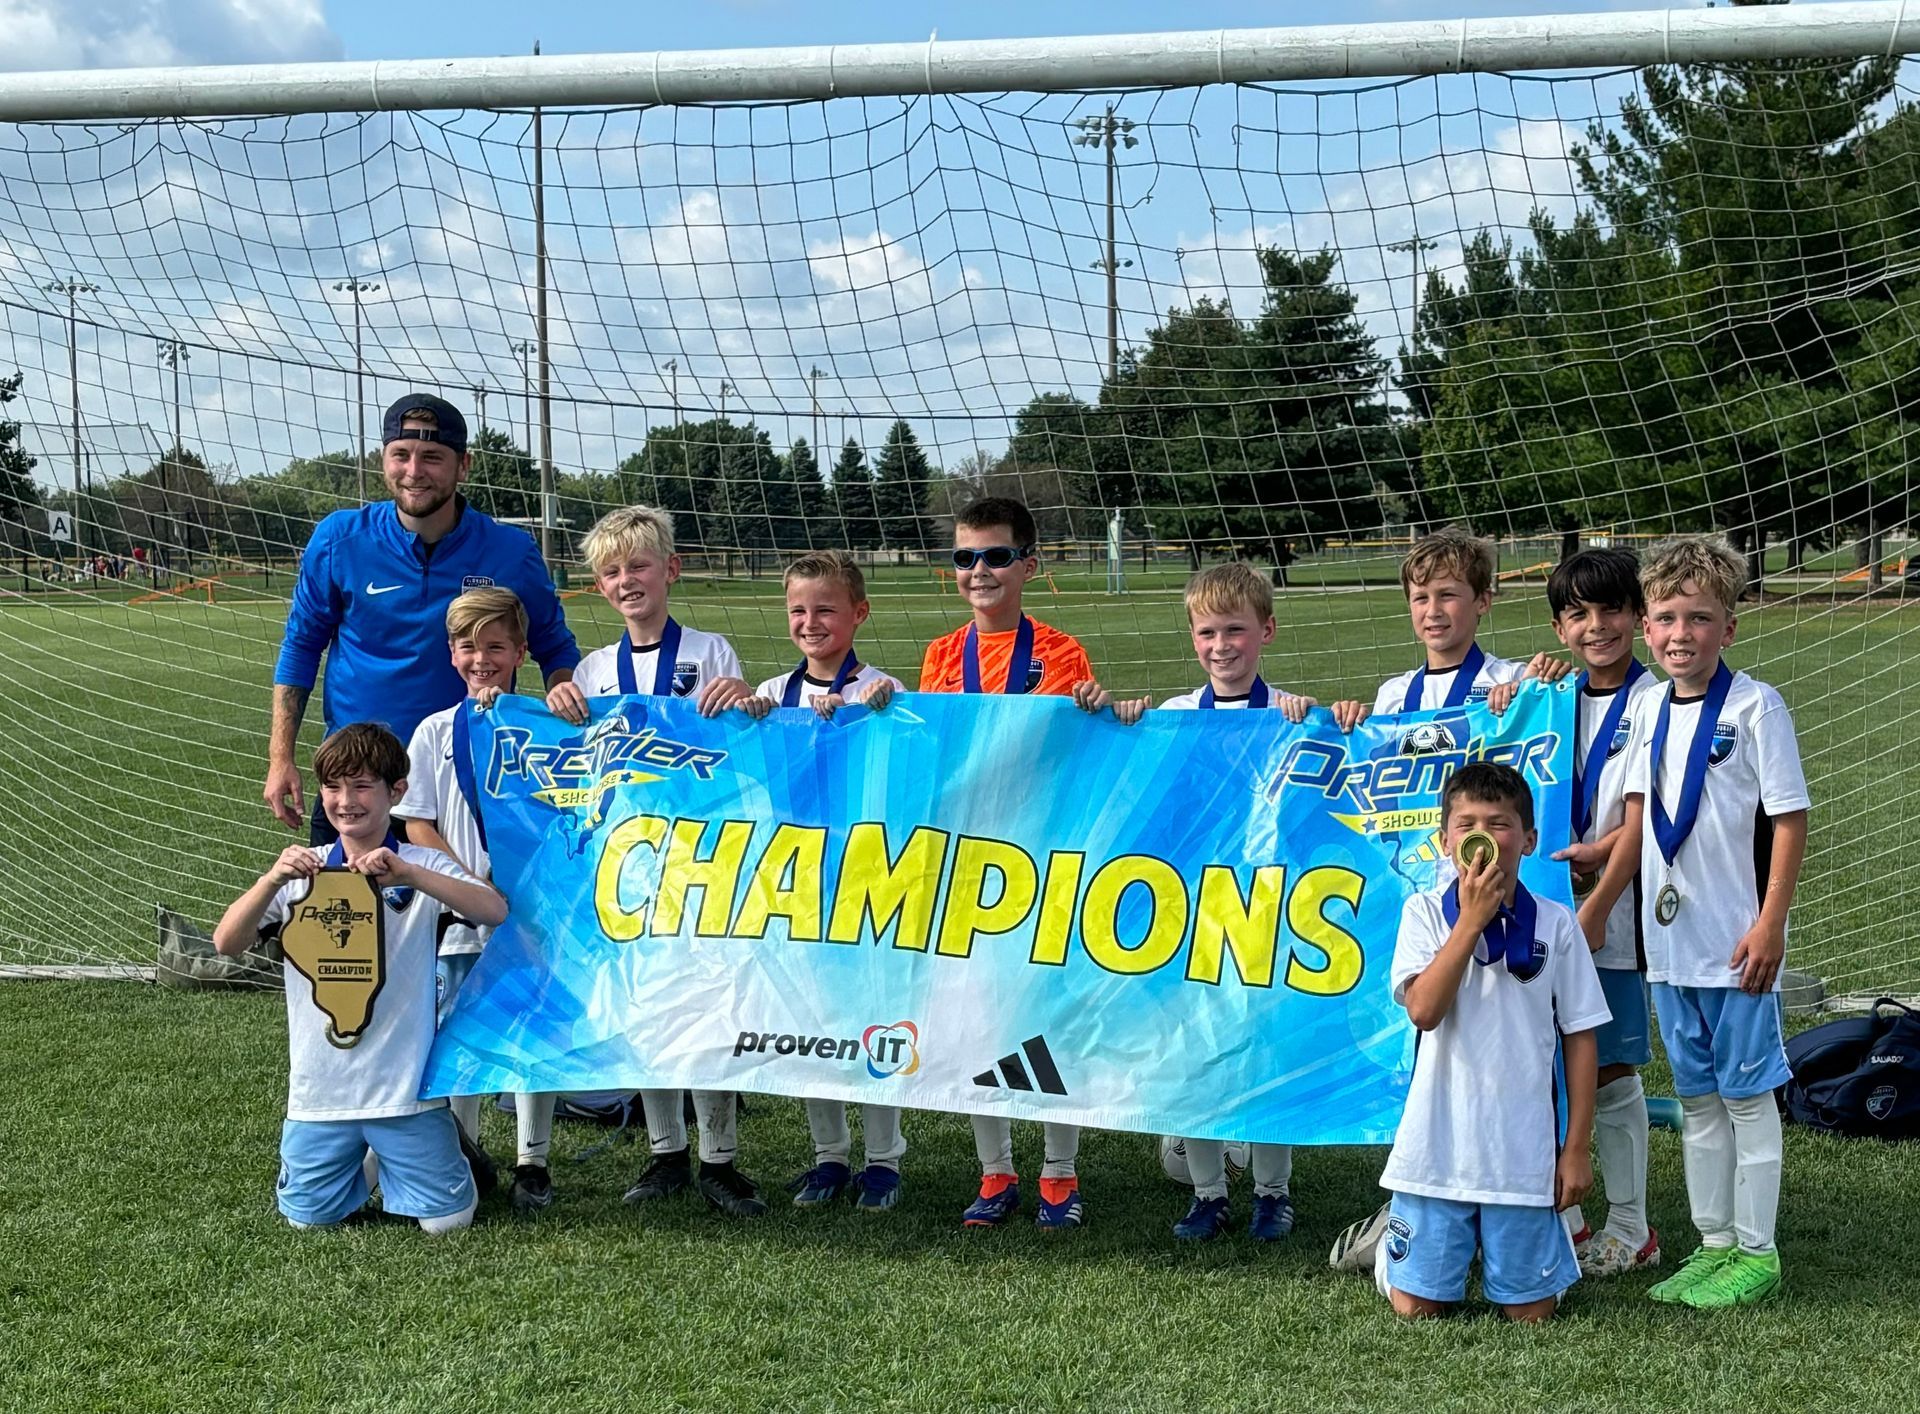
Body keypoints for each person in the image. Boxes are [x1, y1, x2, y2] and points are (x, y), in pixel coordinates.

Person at [1326, 525, 1566, 1272]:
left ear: (1483, 602)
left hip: (1507, 907)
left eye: (1450, 596)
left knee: (1511, 1062)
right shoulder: (1396, 693)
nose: (1434, 611)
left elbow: (1545, 711)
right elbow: (1377, 770)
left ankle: (1545, 1207)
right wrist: (1349, 722)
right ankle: (1414, 1215)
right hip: (1430, 908)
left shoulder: (1508, 680)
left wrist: (1536, 684)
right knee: (1423, 1063)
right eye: (1421, 597)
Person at [917, 495, 1138, 1233]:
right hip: (966, 862)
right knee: (977, 1015)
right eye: (964, 557)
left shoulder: (1063, 652)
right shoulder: (941, 656)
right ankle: (995, 1170)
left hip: (1044, 859)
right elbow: (937, 750)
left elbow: (1069, 745)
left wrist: (1104, 709)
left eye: (995, 556)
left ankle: (1059, 1172)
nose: (978, 570)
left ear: (1028, 565)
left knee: (1046, 1012)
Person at [1603, 535, 1809, 1309]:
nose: (1680, 633)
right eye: (1666, 618)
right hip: (1668, 948)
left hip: (1737, 946)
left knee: (1748, 1098)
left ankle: (1759, 1253)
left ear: (1730, 626)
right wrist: (1593, 852)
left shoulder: (1756, 706)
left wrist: (1770, 923)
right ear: (1646, 629)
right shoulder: (1645, 706)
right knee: (1696, 1101)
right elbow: (1639, 815)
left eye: (1699, 617)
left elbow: (1788, 820)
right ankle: (1714, 1242)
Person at [545, 504, 764, 1219]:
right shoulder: (594, 666)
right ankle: (666, 1152)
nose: (626, 580)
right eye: (611, 572)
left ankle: (721, 1161)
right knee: (646, 1005)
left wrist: (744, 701)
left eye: (638, 565)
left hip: (702, 862)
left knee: (707, 1004)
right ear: (600, 588)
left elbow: (738, 746)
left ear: (670, 569)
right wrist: (559, 702)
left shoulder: (712, 651)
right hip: (628, 866)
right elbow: (580, 760)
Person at [212, 722, 508, 1233]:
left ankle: (443, 1149)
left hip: (404, 1086)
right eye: (333, 787)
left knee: (448, 1224)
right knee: (308, 1223)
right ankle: (370, 1163)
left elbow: (494, 910)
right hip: (320, 1089)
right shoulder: (303, 873)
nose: (345, 801)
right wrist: (271, 880)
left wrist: (411, 875)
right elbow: (225, 943)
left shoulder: (418, 863)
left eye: (362, 786)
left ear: (396, 792)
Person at [266, 393, 579, 843]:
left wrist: (568, 730)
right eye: (401, 455)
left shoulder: (510, 552)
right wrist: (281, 758)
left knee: (468, 912)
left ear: (463, 465)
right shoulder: (340, 538)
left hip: (470, 778)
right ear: (383, 459)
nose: (414, 472)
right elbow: (300, 647)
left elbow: (555, 648)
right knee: (349, 910)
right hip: (358, 778)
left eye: (432, 457)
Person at [1375, 762, 1609, 1321]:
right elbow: (1425, 1011)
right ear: (1444, 840)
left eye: (1500, 824)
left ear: (1528, 839)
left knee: (1531, 1315)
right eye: (1466, 824)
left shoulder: (1556, 923)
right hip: (1437, 1148)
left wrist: (1574, 1149)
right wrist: (1471, 922)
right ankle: (1390, 1250)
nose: (1483, 836)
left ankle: (1502, 1251)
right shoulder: (1424, 913)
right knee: (1417, 1309)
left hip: (1521, 1152)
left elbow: (1580, 1038)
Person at [739, 551, 909, 1211]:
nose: (811, 622)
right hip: (797, 882)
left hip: (870, 878)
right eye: (799, 611)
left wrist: (875, 712)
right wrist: (742, 717)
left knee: (872, 1018)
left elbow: (904, 750)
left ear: (858, 613)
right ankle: (829, 1155)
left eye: (826, 609)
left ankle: (885, 1160)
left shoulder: (879, 685)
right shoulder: (775, 693)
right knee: (810, 1019)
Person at [1158, 561, 1313, 1243]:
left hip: (1268, 911)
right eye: (1207, 632)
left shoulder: (1295, 715)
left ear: (1267, 632)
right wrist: (1123, 719)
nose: (1222, 646)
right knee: (1193, 1049)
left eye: (1236, 631)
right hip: (1188, 909)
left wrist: (1335, 721)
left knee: (1266, 1048)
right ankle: (1208, 1190)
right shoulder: (1169, 717)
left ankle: (1273, 1192)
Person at [392, 586, 559, 1218]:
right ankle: (462, 1155)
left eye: (495, 646)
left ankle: (532, 1161)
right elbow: (417, 823)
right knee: (458, 1034)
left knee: (531, 1036)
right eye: (468, 646)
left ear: (520, 651)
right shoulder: (433, 731)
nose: (481, 658)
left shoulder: (544, 724)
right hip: (459, 918)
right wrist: (468, 882)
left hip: (533, 913)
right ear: (452, 653)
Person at [1541, 548, 1664, 1277]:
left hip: (1614, 920)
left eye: (1612, 609)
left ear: (1638, 618)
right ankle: (1572, 1220)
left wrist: (1602, 883)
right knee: (1547, 1059)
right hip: (1549, 913)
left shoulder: (1657, 699)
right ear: (1560, 629)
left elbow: (1655, 815)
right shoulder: (1551, 697)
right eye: (1579, 614)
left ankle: (1634, 1227)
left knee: (1611, 1065)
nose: (1597, 626)